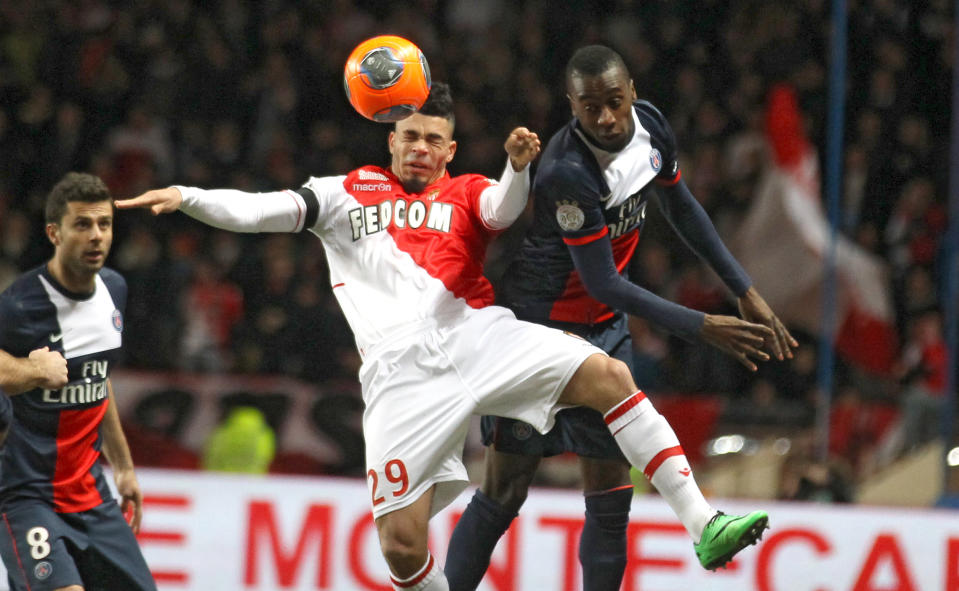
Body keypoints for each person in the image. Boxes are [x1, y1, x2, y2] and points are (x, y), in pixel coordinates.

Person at [117, 82, 773, 591]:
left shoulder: (466, 190)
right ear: (391, 139)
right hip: (401, 377)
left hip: (478, 335)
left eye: (434, 138)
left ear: (450, 149)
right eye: (410, 136)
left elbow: (504, 210)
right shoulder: (344, 194)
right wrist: (188, 195)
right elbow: (261, 210)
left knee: (609, 376)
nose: (421, 148)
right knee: (401, 545)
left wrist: (517, 167)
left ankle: (702, 521)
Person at [446, 45, 797, 591]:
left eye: (614, 101)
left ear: (632, 90)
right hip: (538, 331)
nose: (606, 117)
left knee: (611, 496)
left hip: (605, 328)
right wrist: (704, 326)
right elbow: (602, 280)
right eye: (590, 108)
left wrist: (743, 289)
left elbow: (681, 207)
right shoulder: (566, 171)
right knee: (504, 491)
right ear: (572, 106)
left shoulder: (651, 125)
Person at [0, 172, 156, 591]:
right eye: (82, 225)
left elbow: (99, 382)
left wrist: (123, 468)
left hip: (91, 494)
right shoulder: (18, 305)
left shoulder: (114, 291)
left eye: (104, 224)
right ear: (54, 232)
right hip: (25, 496)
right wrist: (33, 371)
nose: (96, 236)